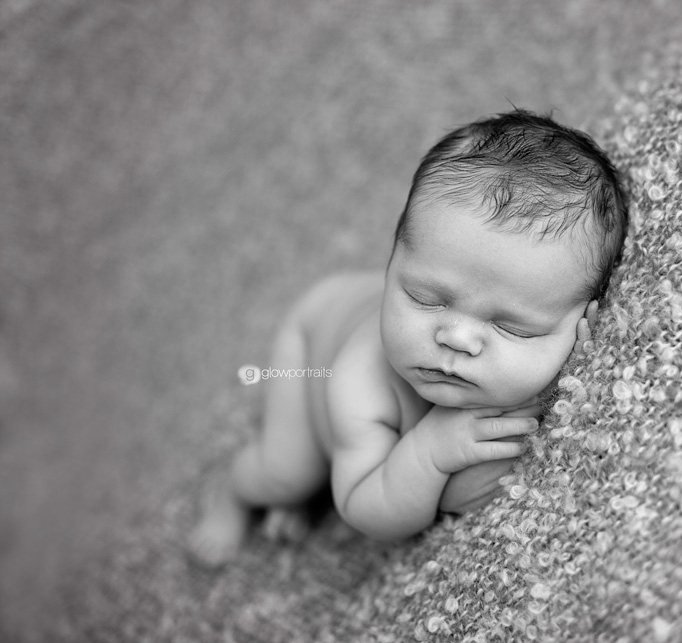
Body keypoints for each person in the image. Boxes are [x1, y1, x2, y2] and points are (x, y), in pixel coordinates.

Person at [188, 109, 628, 567]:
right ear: (391, 261)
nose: (456, 337)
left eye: (512, 327)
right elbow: (364, 510)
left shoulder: (563, 343)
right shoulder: (361, 383)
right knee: (288, 472)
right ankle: (230, 495)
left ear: (584, 322)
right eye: (426, 298)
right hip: (312, 349)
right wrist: (428, 453)